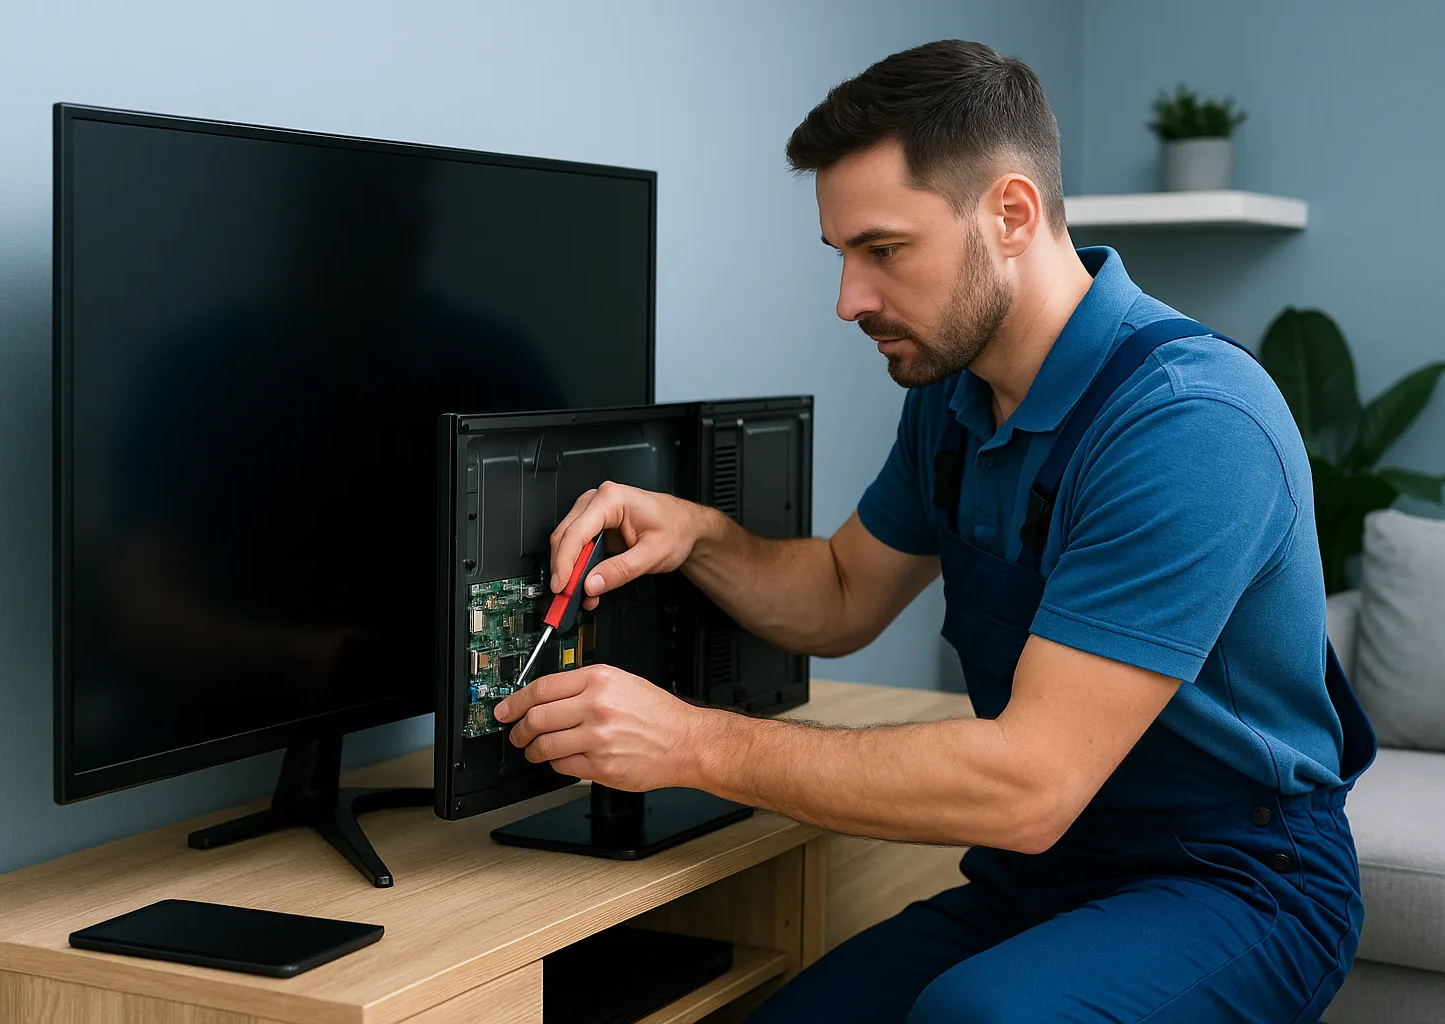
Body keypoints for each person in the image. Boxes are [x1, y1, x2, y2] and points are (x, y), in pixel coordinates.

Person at [493, 39, 1375, 1023]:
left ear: (1010, 214)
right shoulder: (955, 394)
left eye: (883, 250)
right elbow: (838, 593)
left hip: (1241, 883)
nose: (849, 301)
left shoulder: (1190, 424)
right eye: (841, 256)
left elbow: (1028, 784)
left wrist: (690, 741)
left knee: (979, 1017)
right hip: (1046, 875)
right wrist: (698, 533)